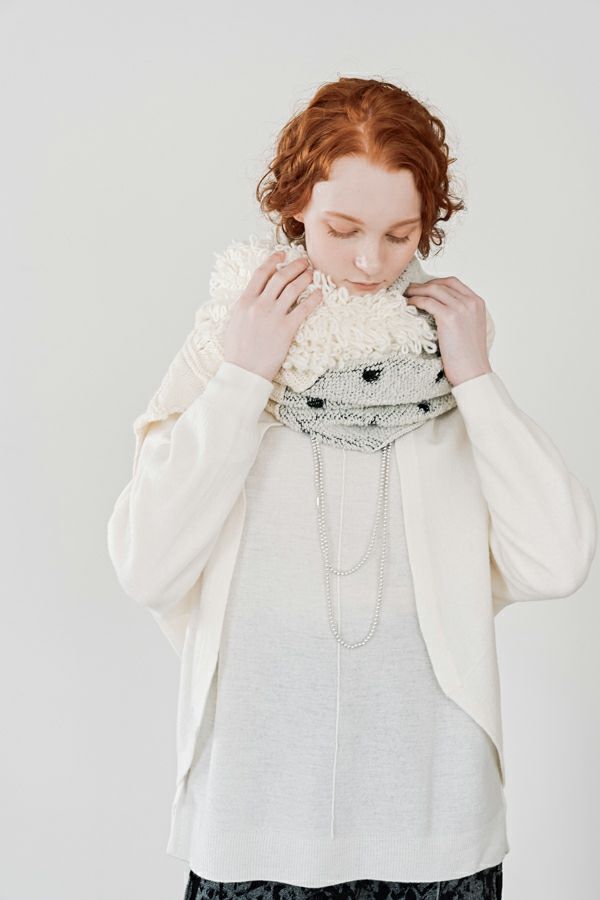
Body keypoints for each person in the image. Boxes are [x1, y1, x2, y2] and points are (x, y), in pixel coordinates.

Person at [106, 77, 597, 900]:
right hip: (255, 817)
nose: (371, 262)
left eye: (401, 235)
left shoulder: (443, 352)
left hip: (436, 822)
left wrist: (476, 379)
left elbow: (560, 559)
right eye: (343, 229)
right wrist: (242, 377)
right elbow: (145, 563)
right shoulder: (228, 340)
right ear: (295, 203)